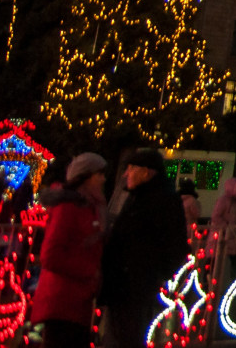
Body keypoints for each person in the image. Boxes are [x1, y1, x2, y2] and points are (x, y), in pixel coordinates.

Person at [100, 149, 188, 348]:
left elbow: (176, 245)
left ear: (147, 172)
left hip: (134, 284)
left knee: (125, 337)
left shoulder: (161, 201)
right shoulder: (138, 197)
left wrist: (151, 273)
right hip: (124, 283)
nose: (126, 174)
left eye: (131, 169)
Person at [31, 153, 107, 348]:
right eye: (100, 174)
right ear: (86, 177)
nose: (104, 179)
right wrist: (90, 270)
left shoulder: (88, 206)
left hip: (76, 301)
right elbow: (50, 255)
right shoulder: (69, 208)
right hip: (63, 302)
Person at [210, 177, 236, 272]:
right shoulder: (224, 200)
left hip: (229, 235)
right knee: (215, 260)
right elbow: (216, 216)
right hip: (221, 235)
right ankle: (208, 281)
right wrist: (226, 227)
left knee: (234, 259)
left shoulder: (234, 201)